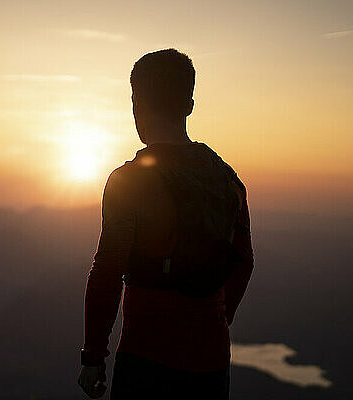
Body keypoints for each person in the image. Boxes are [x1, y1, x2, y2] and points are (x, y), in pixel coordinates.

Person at [77, 49, 254, 399]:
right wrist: (215, 320)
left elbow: (108, 272)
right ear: (189, 104)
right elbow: (243, 263)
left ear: (136, 103)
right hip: (212, 365)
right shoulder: (227, 181)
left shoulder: (130, 182)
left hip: (147, 362)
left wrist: (94, 355)